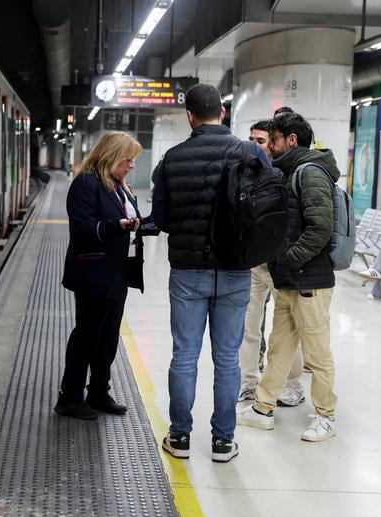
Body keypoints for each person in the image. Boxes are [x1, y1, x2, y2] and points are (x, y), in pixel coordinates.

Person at [152, 84, 269, 463]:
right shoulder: (249, 152)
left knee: (184, 355)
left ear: (189, 115)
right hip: (236, 271)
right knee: (227, 358)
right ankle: (222, 441)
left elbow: (163, 220)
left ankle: (180, 437)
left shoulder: (171, 158)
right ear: (223, 111)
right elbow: (267, 204)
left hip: (188, 271)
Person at [237, 112, 340, 442]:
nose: (271, 146)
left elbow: (320, 227)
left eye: (275, 139)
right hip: (291, 279)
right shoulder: (291, 171)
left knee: (317, 353)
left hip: (310, 280)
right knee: (280, 348)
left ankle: (326, 416)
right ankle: (262, 408)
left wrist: (289, 261)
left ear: (291, 140)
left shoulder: (310, 173)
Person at [57, 131, 143, 420]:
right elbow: (82, 229)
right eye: (128, 159)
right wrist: (114, 226)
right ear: (111, 156)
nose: (131, 165)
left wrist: (140, 223)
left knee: (107, 338)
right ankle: (69, 398)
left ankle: (98, 392)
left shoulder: (120, 186)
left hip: (117, 272)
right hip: (93, 273)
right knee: (87, 337)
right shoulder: (86, 184)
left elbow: (128, 218)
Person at [239, 120, 305, 406]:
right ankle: (249, 382)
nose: (256, 145)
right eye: (252, 139)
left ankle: (293, 385)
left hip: (280, 264)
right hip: (253, 264)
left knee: (287, 328)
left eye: (262, 140)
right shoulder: (244, 172)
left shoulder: (285, 174)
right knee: (249, 327)